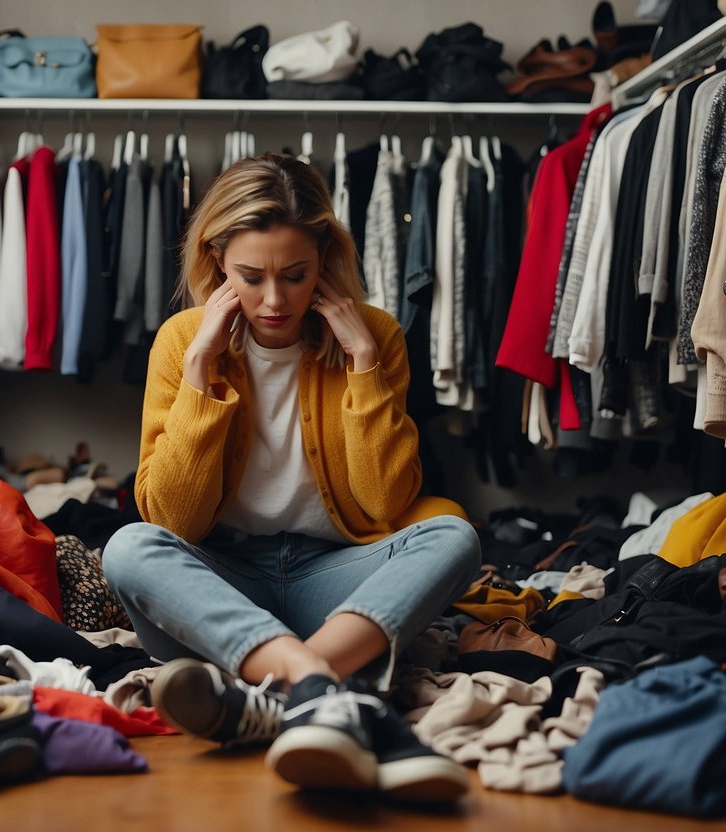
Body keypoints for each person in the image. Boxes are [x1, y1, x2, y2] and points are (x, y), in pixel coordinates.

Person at [103, 153, 481, 802]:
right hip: (221, 585)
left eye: (295, 275)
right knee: (129, 546)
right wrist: (199, 374)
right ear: (217, 259)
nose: (273, 300)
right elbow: (173, 521)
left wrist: (362, 362)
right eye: (250, 276)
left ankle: (275, 692)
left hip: (332, 583)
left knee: (452, 533)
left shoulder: (376, 335)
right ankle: (339, 697)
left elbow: (386, 502)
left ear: (325, 262)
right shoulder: (181, 340)